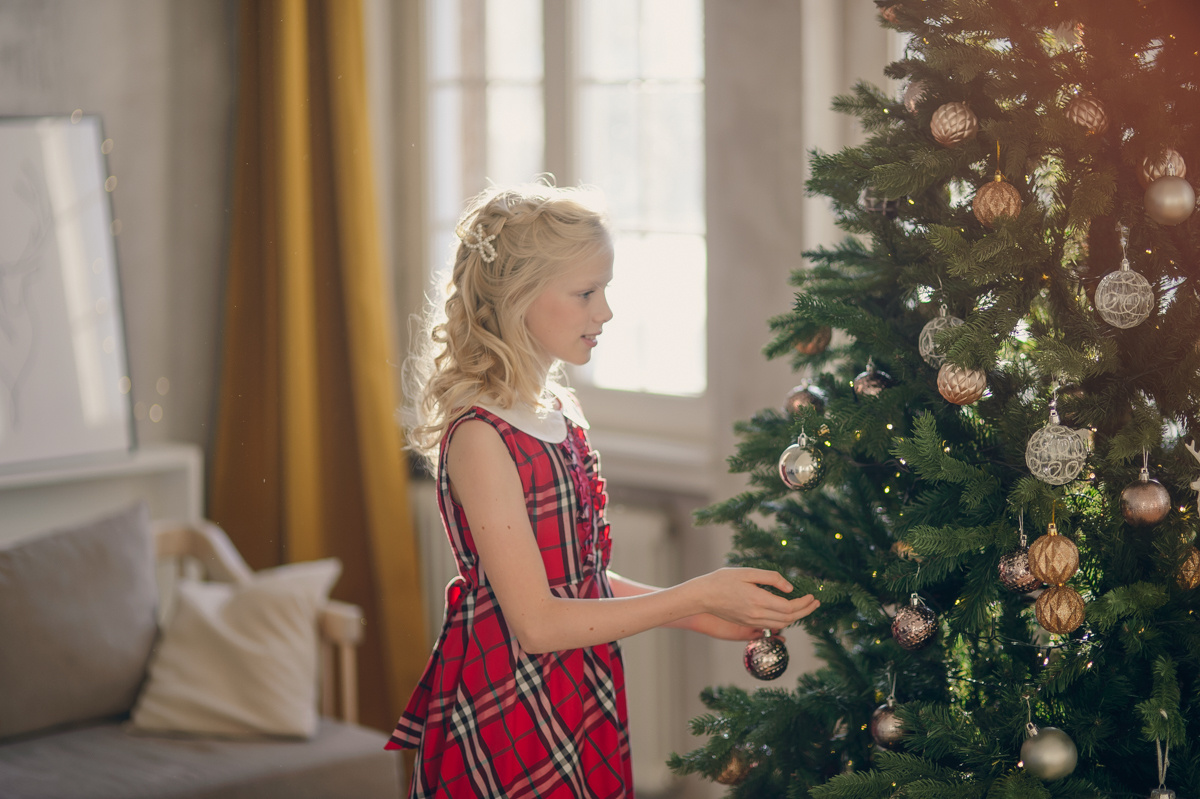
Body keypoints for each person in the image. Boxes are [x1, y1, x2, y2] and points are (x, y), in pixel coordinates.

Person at [388, 182, 820, 798]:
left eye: (605, 290)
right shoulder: (481, 437)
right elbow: (536, 624)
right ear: (518, 298)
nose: (606, 312)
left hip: (579, 683)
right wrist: (695, 592)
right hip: (512, 701)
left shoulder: (559, 409)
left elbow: (579, 578)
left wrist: (701, 613)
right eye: (587, 292)